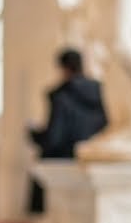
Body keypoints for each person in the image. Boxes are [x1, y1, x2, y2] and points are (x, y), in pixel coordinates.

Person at [27, 48, 108, 211]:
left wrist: (34, 135)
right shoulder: (101, 92)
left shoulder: (61, 96)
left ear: (63, 68)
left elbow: (54, 138)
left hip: (62, 164)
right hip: (91, 161)